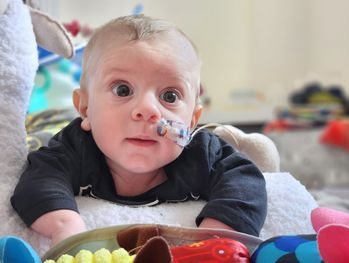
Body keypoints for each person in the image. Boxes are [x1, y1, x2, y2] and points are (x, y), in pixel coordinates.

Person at [11, 14, 267, 246]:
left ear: (191, 121)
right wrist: (66, 226)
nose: (147, 109)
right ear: (86, 110)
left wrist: (214, 237)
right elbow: (37, 182)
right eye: (123, 90)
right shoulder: (75, 146)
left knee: (246, 155)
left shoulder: (202, 152)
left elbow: (247, 184)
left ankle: (247, 142)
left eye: (169, 95)